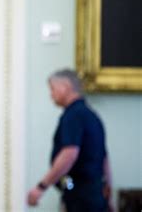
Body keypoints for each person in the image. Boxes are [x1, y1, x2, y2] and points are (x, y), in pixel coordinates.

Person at [27, 69, 113, 212]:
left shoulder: (73, 115)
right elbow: (104, 158)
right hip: (96, 193)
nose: (51, 95)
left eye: (52, 89)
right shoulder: (92, 115)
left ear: (65, 86)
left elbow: (69, 154)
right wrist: (108, 192)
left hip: (80, 197)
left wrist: (41, 187)